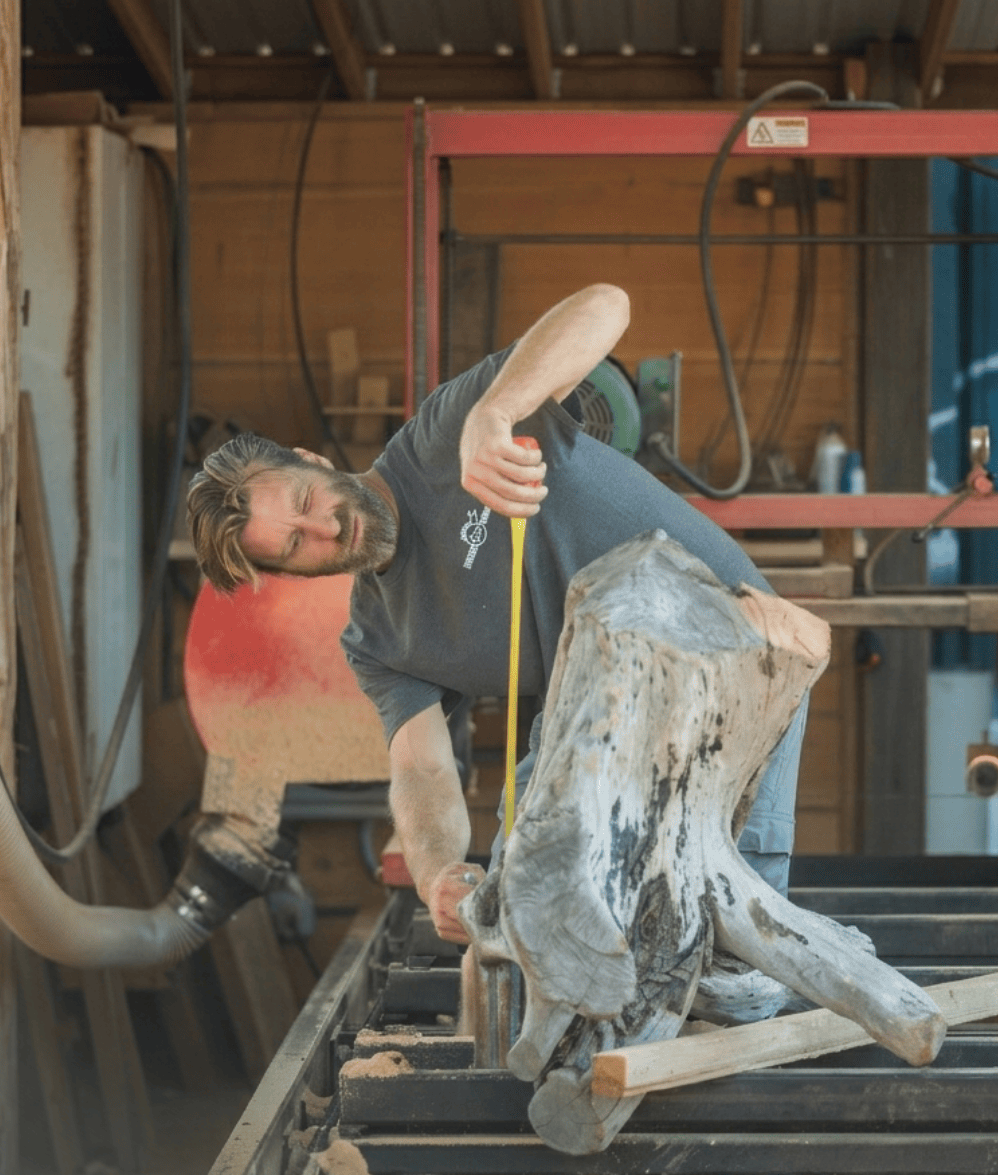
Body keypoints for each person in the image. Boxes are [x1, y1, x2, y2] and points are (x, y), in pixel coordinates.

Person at [187, 284, 807, 944]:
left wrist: (496, 411)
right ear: (291, 574)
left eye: (304, 500)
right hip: (614, 707)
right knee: (534, 901)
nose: (325, 527)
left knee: (735, 932)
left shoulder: (443, 436)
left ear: (310, 461)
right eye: (294, 545)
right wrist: (437, 873)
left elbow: (608, 304)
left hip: (735, 645)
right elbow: (423, 771)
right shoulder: (378, 641)